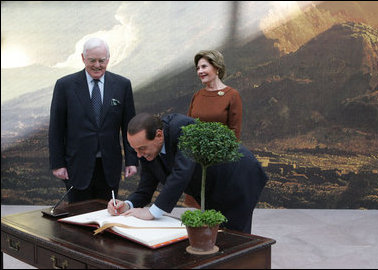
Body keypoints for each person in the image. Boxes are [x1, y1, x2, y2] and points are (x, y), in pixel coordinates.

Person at [108, 113, 268, 233]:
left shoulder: (182, 127)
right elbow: (145, 188)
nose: (138, 155)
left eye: (141, 148)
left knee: (234, 235)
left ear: (158, 135)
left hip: (238, 175)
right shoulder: (146, 150)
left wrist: (152, 212)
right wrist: (127, 205)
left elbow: (182, 172)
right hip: (210, 185)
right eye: (134, 149)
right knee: (215, 233)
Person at [49, 37, 138, 203]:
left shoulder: (122, 85)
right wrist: (57, 163)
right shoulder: (65, 86)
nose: (97, 65)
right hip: (76, 166)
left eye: (102, 60)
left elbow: (129, 126)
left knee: (108, 213)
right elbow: (56, 128)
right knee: (78, 216)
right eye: (92, 60)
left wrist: (131, 160)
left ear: (108, 59)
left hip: (109, 166)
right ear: (83, 58)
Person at [188, 49, 242, 140]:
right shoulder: (197, 95)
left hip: (221, 152)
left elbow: (234, 133)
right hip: (195, 153)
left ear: (217, 68)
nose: (200, 71)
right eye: (198, 68)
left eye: (204, 66)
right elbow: (188, 127)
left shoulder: (232, 95)